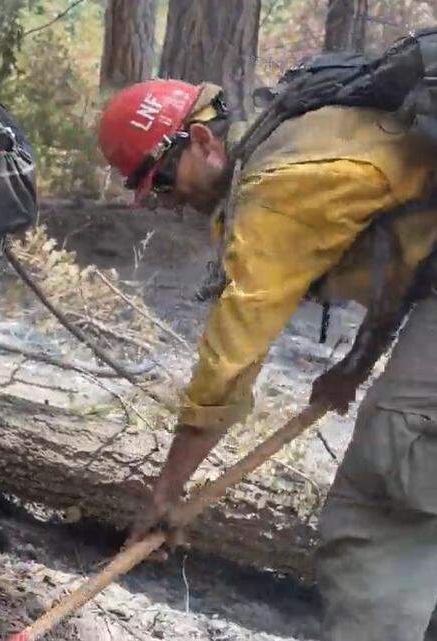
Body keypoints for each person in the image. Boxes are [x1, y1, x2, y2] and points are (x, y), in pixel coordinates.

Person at [97, 78, 437, 641]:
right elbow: (415, 244)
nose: (167, 202)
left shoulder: (278, 191)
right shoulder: (299, 138)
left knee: (375, 511)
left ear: (203, 140)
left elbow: (231, 362)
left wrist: (167, 491)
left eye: (161, 181)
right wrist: (358, 360)